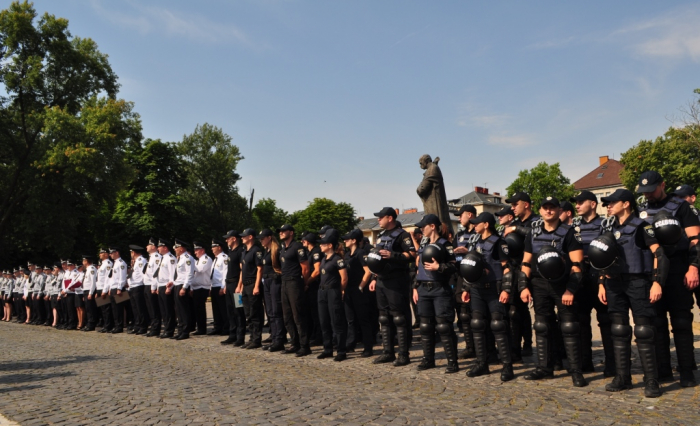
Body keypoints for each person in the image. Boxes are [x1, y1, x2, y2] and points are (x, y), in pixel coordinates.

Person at [597, 189, 666, 397]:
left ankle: (652, 381)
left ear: (626, 204)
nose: (608, 206)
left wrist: (657, 282)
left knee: (644, 332)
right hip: (614, 284)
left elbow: (659, 254)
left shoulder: (642, 227)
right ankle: (622, 378)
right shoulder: (609, 229)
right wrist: (601, 283)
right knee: (618, 330)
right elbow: (602, 258)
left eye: (612, 202)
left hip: (638, 282)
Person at [637, 171, 699, 387]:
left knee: (681, 322)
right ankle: (663, 371)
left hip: (678, 267)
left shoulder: (681, 207)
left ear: (663, 185)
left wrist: (693, 268)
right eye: (644, 191)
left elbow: (695, 241)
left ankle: (686, 371)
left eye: (651, 190)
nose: (648, 195)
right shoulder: (641, 209)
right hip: (652, 271)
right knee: (657, 323)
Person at [519, 197, 588, 387]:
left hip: (562, 285)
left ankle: (576, 371)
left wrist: (570, 290)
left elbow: (577, 264)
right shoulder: (532, 234)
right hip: (539, 284)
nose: (548, 211)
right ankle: (544, 368)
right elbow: (525, 263)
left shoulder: (569, 233)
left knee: (569, 327)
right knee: (542, 326)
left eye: (552, 208)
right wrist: (523, 286)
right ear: (540, 211)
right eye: (545, 208)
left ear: (559, 210)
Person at [461, 212, 514, 381]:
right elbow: (470, 266)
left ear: (486, 224)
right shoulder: (475, 241)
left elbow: (507, 269)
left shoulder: (499, 242)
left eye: (477, 223)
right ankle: (481, 363)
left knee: (498, 326)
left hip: (494, 289)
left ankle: (507, 366)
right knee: (477, 324)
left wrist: (506, 289)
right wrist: (466, 288)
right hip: (476, 289)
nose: (474, 225)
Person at [570, 190, 615, 376]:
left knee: (606, 320)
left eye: (581, 202)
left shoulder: (604, 225)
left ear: (593, 204)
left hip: (599, 275)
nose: (577, 205)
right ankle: (585, 362)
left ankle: (612, 364)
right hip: (580, 274)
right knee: (580, 320)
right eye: (576, 202)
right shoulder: (573, 226)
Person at [368, 207, 417, 366]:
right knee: (384, 317)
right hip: (382, 280)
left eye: (380, 217)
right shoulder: (382, 236)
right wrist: (374, 277)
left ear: (390, 218)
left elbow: (412, 255)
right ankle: (387, 352)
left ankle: (403, 354)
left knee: (399, 317)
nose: (378, 220)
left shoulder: (402, 235)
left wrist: (393, 255)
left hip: (396, 280)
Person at [412, 214, 459, 373]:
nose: (420, 230)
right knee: (425, 326)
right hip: (423, 289)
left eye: (423, 227)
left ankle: (452, 362)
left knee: (444, 326)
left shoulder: (445, 244)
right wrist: (415, 287)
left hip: (440, 288)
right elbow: (417, 267)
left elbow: (454, 267)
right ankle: (428, 359)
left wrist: (439, 267)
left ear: (432, 226)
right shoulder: (423, 243)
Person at [503, 192, 537, 360]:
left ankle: (531, 345)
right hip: (516, 271)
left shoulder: (537, 221)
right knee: (515, 311)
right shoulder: (514, 222)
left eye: (516, 204)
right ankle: (515, 349)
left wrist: (516, 229)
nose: (512, 207)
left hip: (535, 271)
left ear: (526, 204)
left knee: (540, 314)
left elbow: (535, 234)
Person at [314, 228, 349, 361]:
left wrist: (339, 291)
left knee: (337, 322)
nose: (320, 245)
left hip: (332, 291)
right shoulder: (324, 259)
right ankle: (327, 349)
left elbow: (344, 278)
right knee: (324, 321)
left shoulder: (337, 259)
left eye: (323, 243)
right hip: (322, 291)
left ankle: (341, 350)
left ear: (330, 245)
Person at [278, 224, 312, 356]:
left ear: (291, 232)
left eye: (283, 231)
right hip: (284, 282)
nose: (281, 233)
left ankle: (304, 345)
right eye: (280, 231)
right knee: (287, 316)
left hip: (294, 282)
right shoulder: (283, 248)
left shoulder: (297, 247)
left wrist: (304, 283)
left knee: (298, 315)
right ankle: (294, 342)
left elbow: (305, 268)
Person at [342, 228, 375, 357]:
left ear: (354, 240)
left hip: (359, 290)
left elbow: (368, 271)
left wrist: (361, 286)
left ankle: (368, 347)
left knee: (363, 320)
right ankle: (350, 344)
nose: (345, 241)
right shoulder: (347, 255)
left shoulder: (361, 253)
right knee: (350, 319)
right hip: (349, 289)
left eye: (347, 239)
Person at [453, 205, 477, 359]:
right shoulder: (459, 235)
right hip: (461, 276)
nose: (459, 219)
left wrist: (468, 252)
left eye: (460, 215)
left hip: (477, 276)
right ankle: (470, 347)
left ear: (470, 215)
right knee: (464, 315)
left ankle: (485, 347)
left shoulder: (479, 232)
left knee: (479, 314)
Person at [671, 184, 700, 312]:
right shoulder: (673, 218)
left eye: (682, 197)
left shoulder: (695, 215)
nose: (678, 200)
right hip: (682, 267)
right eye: (676, 197)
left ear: (693, 198)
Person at [236, 228, 264, 349]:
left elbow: (260, 269)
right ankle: (252, 338)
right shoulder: (244, 252)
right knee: (248, 313)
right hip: (245, 285)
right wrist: (239, 285)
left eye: (244, 236)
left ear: (251, 237)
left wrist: (257, 286)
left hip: (253, 284)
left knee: (255, 312)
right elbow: (242, 270)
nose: (242, 238)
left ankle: (257, 339)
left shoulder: (256, 251)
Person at [258, 229, 285, 352]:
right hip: (267, 282)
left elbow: (281, 268)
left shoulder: (277, 250)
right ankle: (274, 338)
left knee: (276, 311)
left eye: (262, 238)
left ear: (269, 237)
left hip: (275, 281)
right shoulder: (266, 251)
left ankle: (279, 339)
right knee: (269, 312)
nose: (261, 240)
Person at [221, 230, 247, 346]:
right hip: (230, 284)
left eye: (228, 238)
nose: (226, 240)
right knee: (230, 310)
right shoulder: (230, 252)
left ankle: (240, 336)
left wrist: (239, 285)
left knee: (239, 311)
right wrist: (226, 285)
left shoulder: (240, 251)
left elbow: (242, 270)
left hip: (237, 284)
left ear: (234, 239)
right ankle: (232, 335)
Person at [302, 232, 323, 346]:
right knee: (309, 313)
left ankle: (319, 337)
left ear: (308, 242)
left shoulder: (316, 252)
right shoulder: (308, 252)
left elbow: (316, 271)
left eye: (303, 240)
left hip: (314, 285)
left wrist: (307, 282)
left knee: (316, 313)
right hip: (309, 286)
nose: (302, 242)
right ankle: (313, 335)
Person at [172, 239, 194, 340]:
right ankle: (180, 330)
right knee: (178, 309)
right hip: (177, 284)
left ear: (181, 248)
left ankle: (185, 331)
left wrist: (184, 287)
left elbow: (189, 274)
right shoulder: (180, 258)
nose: (175, 249)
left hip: (182, 285)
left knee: (184, 309)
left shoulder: (187, 258)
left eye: (176, 247)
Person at [156, 238, 177, 339]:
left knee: (168, 310)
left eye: (159, 246)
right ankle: (166, 328)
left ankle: (170, 330)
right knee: (163, 310)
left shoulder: (170, 258)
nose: (158, 248)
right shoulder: (163, 258)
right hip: (161, 285)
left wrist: (170, 287)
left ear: (165, 247)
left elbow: (172, 274)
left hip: (167, 286)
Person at [103, 247, 128, 334]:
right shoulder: (115, 263)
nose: (110, 255)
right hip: (113, 288)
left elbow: (122, 277)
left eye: (112, 253)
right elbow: (111, 278)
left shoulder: (121, 263)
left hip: (118, 288)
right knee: (114, 308)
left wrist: (119, 288)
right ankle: (116, 325)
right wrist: (110, 288)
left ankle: (119, 326)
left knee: (119, 308)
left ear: (117, 253)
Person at [207, 240, 229, 336]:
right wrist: (211, 287)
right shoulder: (215, 259)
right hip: (214, 286)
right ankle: (217, 327)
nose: (212, 249)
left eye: (214, 246)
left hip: (220, 286)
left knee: (223, 309)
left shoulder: (224, 258)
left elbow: (225, 273)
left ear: (219, 247)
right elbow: (213, 275)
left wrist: (223, 286)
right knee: (215, 309)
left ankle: (225, 327)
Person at [191, 241, 213, 336]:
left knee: (200, 309)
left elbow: (200, 269)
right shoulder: (198, 260)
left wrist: (190, 264)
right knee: (196, 308)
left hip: (203, 287)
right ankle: (199, 327)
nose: (195, 252)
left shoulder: (206, 259)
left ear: (202, 250)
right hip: (197, 287)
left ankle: (202, 328)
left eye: (197, 250)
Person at [144, 238, 162, 337]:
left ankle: (156, 328)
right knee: (150, 308)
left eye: (149, 245)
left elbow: (155, 274)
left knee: (154, 308)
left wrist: (154, 287)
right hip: (147, 284)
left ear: (153, 247)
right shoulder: (151, 257)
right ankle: (153, 326)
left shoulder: (156, 257)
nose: (147, 246)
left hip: (152, 285)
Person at [94, 249, 113, 333]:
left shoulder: (108, 264)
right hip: (100, 288)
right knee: (102, 309)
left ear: (106, 254)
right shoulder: (102, 265)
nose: (100, 254)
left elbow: (107, 278)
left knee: (106, 309)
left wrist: (105, 290)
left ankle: (108, 325)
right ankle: (105, 325)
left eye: (102, 253)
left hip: (104, 289)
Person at [81, 255, 98, 332]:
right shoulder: (87, 270)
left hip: (90, 290)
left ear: (86, 261)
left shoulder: (92, 269)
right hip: (86, 290)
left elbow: (93, 282)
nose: (82, 263)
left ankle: (91, 324)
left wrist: (90, 293)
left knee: (91, 308)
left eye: (83, 261)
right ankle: (89, 323)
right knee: (88, 308)